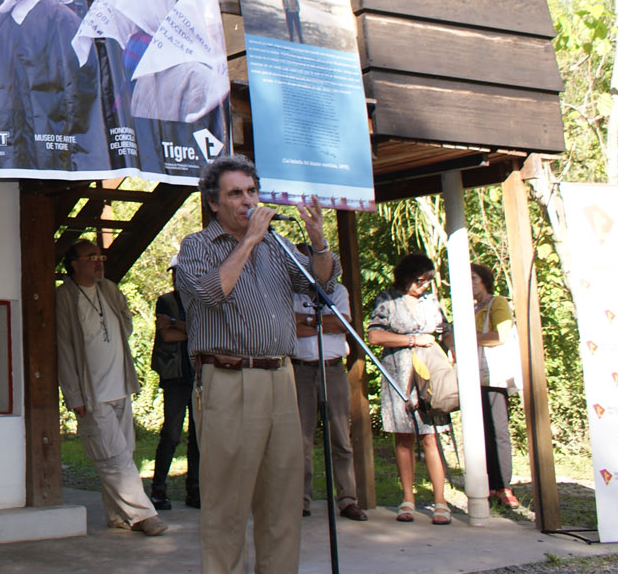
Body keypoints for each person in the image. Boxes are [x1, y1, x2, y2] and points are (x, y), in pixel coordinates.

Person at [173, 153, 332, 574]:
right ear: (213, 202)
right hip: (228, 379)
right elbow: (210, 294)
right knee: (227, 503)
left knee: (282, 499)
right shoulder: (197, 247)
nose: (247, 201)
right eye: (236, 194)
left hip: (281, 376)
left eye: (252, 191)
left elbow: (322, 284)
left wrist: (318, 242)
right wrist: (248, 241)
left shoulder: (276, 245)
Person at [55, 240, 167, 536]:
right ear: (74, 264)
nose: (98, 261)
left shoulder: (109, 289)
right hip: (92, 393)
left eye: (100, 256)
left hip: (120, 385)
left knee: (123, 453)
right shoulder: (65, 297)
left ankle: (119, 517)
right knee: (112, 456)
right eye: (90, 257)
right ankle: (144, 515)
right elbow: (64, 348)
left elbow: (125, 322)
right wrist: (73, 394)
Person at [0, 0, 103, 171]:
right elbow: (84, 89)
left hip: (12, 149)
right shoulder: (63, 19)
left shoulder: (2, 19)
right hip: (56, 153)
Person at [366, 253, 451, 525]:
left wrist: (452, 354)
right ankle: (408, 499)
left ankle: (440, 501)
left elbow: (445, 329)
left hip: (430, 376)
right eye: (419, 280)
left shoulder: (431, 301)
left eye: (428, 280)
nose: (424, 285)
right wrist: (412, 340)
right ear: (405, 276)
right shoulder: (387, 299)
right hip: (399, 374)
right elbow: (374, 335)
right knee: (404, 438)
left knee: (431, 437)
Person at [291, 247, 366, 521]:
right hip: (301, 369)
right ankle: (300, 500)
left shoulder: (338, 291)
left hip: (333, 368)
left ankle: (348, 499)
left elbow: (343, 324)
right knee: (301, 439)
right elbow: (291, 328)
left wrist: (308, 319)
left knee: (341, 437)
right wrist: (324, 322)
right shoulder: (291, 292)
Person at [149, 268, 200, 510]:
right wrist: (186, 328)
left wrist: (176, 325)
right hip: (175, 377)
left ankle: (195, 489)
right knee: (171, 433)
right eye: (175, 274)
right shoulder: (165, 301)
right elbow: (167, 336)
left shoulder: (201, 299)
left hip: (197, 375)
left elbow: (205, 331)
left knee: (198, 436)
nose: (178, 277)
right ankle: (158, 489)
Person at [472, 262, 520, 508]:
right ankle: (489, 484)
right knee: (482, 432)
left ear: (484, 280)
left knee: (498, 430)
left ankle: (505, 486)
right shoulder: (471, 308)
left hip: (494, 375)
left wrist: (469, 338)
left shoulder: (497, 303)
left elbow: (500, 336)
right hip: (474, 376)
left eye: (474, 279)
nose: (470, 284)